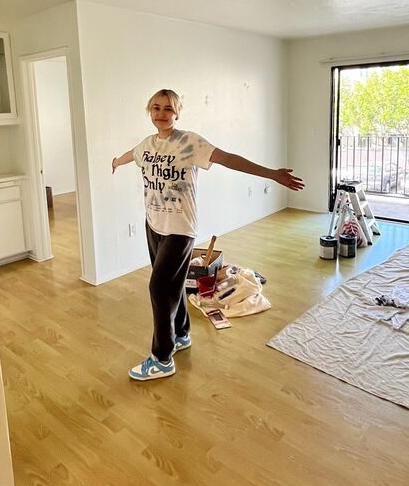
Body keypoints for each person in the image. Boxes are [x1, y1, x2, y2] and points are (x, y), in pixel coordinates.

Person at [112, 89, 304, 381]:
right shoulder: (147, 144)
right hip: (154, 225)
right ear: (149, 111)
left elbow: (228, 158)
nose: (161, 113)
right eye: (156, 108)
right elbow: (131, 155)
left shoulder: (189, 141)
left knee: (158, 288)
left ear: (177, 113)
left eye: (168, 109)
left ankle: (161, 358)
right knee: (173, 285)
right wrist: (116, 161)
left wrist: (271, 174)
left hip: (180, 229)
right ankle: (182, 335)